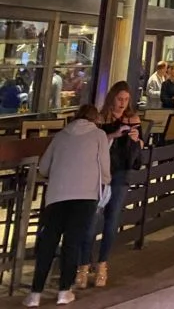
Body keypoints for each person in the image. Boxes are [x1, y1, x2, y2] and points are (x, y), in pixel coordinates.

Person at [25, 106, 110, 307]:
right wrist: (104, 185)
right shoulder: (99, 135)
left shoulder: (61, 136)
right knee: (72, 243)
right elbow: (105, 169)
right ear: (95, 119)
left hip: (57, 196)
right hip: (85, 196)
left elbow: (44, 167)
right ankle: (64, 291)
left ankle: (35, 294)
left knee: (48, 243)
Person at [76, 82, 143, 290]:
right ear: (112, 97)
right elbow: (92, 144)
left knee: (112, 220)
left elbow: (140, 147)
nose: (123, 103)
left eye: (126, 99)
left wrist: (137, 139)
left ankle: (102, 264)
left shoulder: (133, 119)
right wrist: (113, 135)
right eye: (119, 99)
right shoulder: (100, 119)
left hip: (121, 173)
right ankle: (83, 265)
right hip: (99, 174)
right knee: (91, 220)